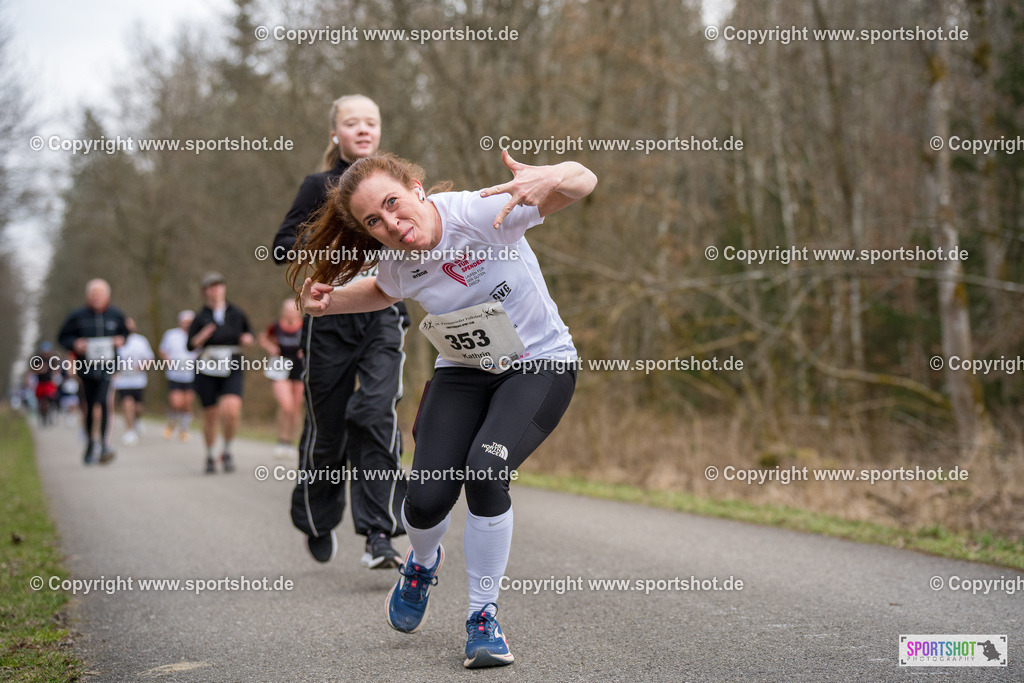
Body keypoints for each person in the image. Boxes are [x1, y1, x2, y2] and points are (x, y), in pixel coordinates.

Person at [296, 150, 596, 668]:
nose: (391, 224)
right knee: (425, 500)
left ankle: (482, 619)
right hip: (462, 371)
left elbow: (583, 182)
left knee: (485, 471)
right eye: (374, 221)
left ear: (416, 187)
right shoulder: (394, 257)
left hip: (538, 364)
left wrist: (553, 174)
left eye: (393, 203)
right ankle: (421, 564)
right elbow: (382, 290)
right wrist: (330, 301)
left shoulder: (478, 213)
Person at [272, 94, 408, 569]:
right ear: (336, 134)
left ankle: (380, 533)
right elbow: (280, 246)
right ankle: (315, 517)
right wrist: (329, 236)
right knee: (328, 427)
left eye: (371, 122)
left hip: (382, 316)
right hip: (328, 321)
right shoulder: (319, 185)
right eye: (353, 123)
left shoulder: (391, 186)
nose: (363, 129)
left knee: (374, 413)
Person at [186, 272, 254, 473]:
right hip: (207, 366)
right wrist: (202, 335)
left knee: (231, 410)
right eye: (210, 287)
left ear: (224, 288)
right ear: (204, 291)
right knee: (211, 414)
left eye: (218, 286)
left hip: (232, 363)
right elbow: (190, 345)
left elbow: (248, 333)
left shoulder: (236, 312)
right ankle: (209, 455)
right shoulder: (200, 316)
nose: (215, 290)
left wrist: (248, 339)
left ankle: (227, 451)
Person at [57, 278, 130, 464]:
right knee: (89, 407)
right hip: (86, 367)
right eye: (93, 294)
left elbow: (126, 333)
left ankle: (105, 444)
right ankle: (90, 443)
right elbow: (62, 337)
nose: (97, 297)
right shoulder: (77, 315)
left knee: (104, 403)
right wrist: (75, 344)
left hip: (107, 366)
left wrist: (121, 339)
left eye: (100, 294)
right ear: (88, 296)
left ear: (107, 296)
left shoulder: (116, 314)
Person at [259, 299, 305, 459]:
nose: (290, 312)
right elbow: (263, 337)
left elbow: (314, 341)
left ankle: (290, 442)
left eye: (293, 309)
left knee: (295, 408)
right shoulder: (276, 326)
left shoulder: (303, 325)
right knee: (286, 405)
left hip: (299, 368)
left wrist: (305, 350)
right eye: (287, 309)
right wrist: (271, 347)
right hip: (280, 365)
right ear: (283, 311)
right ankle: (281, 441)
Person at [113, 318, 154, 445]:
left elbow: (150, 359)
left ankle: (137, 420)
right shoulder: (116, 341)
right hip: (122, 380)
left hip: (138, 379)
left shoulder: (141, 341)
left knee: (138, 408)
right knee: (127, 404)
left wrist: (142, 366)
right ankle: (129, 431)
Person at [159, 310, 198, 442]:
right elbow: (162, 351)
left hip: (191, 375)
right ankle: (170, 425)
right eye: (185, 322)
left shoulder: (197, 336)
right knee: (176, 403)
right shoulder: (171, 335)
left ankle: (183, 430)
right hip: (174, 374)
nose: (187, 325)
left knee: (187, 404)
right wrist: (167, 360)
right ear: (180, 322)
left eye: (190, 323)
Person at [32, 342, 59, 427]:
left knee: (48, 401)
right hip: (40, 383)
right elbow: (33, 370)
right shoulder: (38, 359)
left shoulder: (52, 359)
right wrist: (40, 370)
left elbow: (56, 370)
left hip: (49, 383)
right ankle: (42, 417)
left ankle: (49, 416)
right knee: (41, 402)